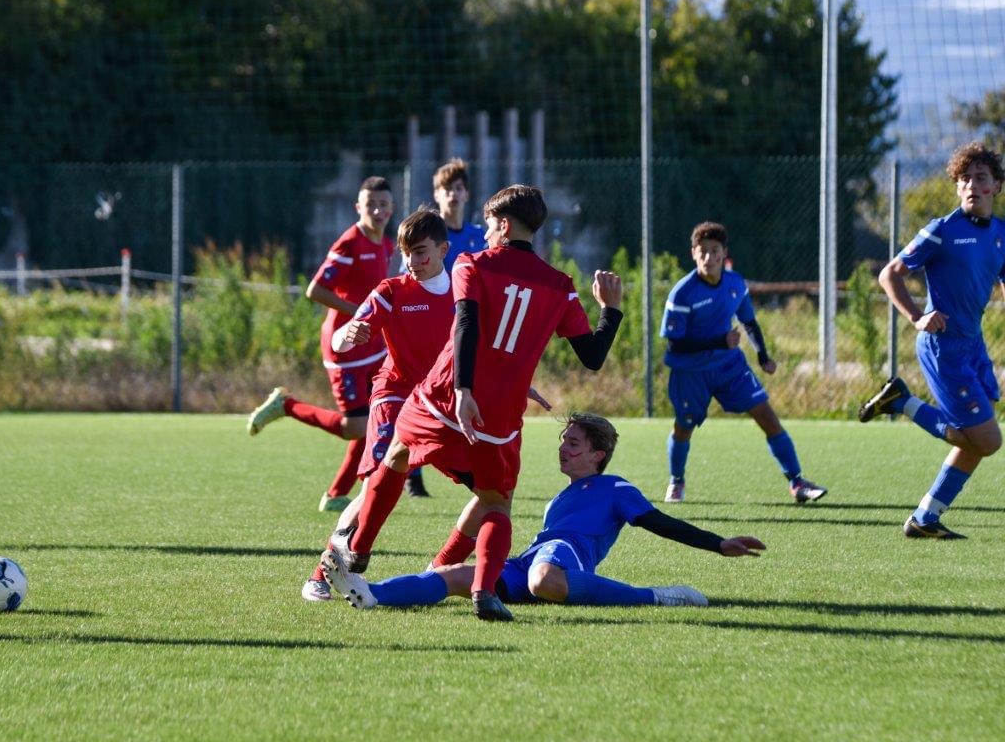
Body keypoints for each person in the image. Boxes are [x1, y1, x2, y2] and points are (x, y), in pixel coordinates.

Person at [328, 184, 624, 622]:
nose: (483, 232)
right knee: (495, 502)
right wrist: (610, 310)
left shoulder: (472, 264)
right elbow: (593, 357)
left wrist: (463, 389)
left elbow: (466, 323)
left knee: (397, 454)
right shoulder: (560, 287)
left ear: (504, 225)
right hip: (500, 416)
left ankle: (359, 550)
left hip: (444, 396)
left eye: (488, 224)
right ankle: (485, 593)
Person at [321, 412, 766, 611]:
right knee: (458, 576)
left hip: (561, 559)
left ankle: (657, 595)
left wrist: (718, 544)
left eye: (573, 444)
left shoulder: (616, 487)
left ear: (599, 454)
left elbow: (657, 522)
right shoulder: (558, 499)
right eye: (562, 442)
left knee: (543, 579)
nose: (563, 450)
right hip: (531, 560)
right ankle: (371, 592)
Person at [300, 208, 456, 600]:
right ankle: (322, 572)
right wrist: (347, 335)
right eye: (406, 253)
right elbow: (340, 342)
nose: (412, 262)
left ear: (443, 250)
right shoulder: (391, 291)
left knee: (489, 490)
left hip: (440, 403)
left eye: (420, 253)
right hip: (394, 395)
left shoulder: (465, 292)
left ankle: (441, 572)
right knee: (376, 482)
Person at [859, 141, 1005, 539]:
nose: (972, 185)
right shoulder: (941, 230)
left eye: (981, 178)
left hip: (973, 347)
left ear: (996, 187)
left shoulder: (1000, 234)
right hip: (943, 348)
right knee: (988, 440)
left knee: (976, 440)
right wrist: (917, 316)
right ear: (957, 187)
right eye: (965, 179)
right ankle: (901, 401)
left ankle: (925, 519)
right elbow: (889, 274)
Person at [247, 177, 395, 513]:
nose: (378, 210)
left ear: (392, 207)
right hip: (344, 350)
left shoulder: (386, 245)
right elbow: (315, 290)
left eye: (383, 204)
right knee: (354, 427)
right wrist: (361, 314)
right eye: (370, 204)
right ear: (358, 207)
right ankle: (286, 405)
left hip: (374, 345)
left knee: (374, 419)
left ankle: (336, 494)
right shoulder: (349, 243)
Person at [659, 222, 827, 505]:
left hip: (729, 367)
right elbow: (675, 343)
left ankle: (797, 482)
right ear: (693, 254)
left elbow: (748, 321)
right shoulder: (683, 293)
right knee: (683, 427)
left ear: (724, 253)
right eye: (703, 252)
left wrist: (763, 355)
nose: (709, 257)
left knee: (767, 416)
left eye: (715, 251)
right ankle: (677, 481)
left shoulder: (735, 284)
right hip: (690, 371)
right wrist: (718, 342)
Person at [433, 158, 488, 273]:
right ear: (436, 195)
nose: (453, 193)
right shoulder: (429, 235)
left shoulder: (479, 234)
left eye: (458, 188)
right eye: (448, 189)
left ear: (466, 194)